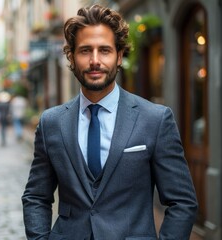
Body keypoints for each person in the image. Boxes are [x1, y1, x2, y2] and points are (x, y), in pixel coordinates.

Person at [21, 4, 198, 240]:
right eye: (85, 51)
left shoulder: (155, 119)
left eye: (104, 50)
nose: (95, 61)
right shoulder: (51, 122)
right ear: (72, 57)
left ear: (119, 56)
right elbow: (36, 196)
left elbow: (182, 202)